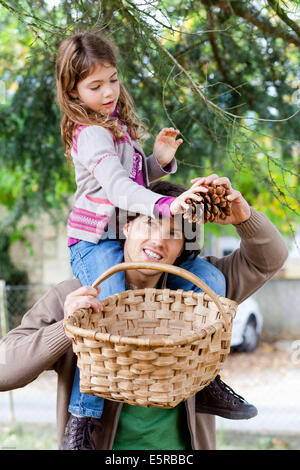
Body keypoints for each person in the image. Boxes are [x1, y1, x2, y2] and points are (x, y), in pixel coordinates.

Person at [55, 30, 248, 442]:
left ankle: (206, 377)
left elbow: (134, 177)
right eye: (95, 86)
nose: (108, 91)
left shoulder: (115, 124)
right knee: (110, 305)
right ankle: (83, 418)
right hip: (95, 241)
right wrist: (163, 207)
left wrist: (158, 162)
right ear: (73, 92)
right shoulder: (89, 133)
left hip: (126, 230)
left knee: (209, 282)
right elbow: (119, 190)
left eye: (112, 79)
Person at [0, 176, 288, 450]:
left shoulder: (198, 296)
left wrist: (244, 217)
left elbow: (269, 260)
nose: (159, 241)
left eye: (173, 233)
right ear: (126, 227)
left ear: (182, 248)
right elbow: (4, 371)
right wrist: (66, 327)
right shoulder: (76, 297)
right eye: (149, 223)